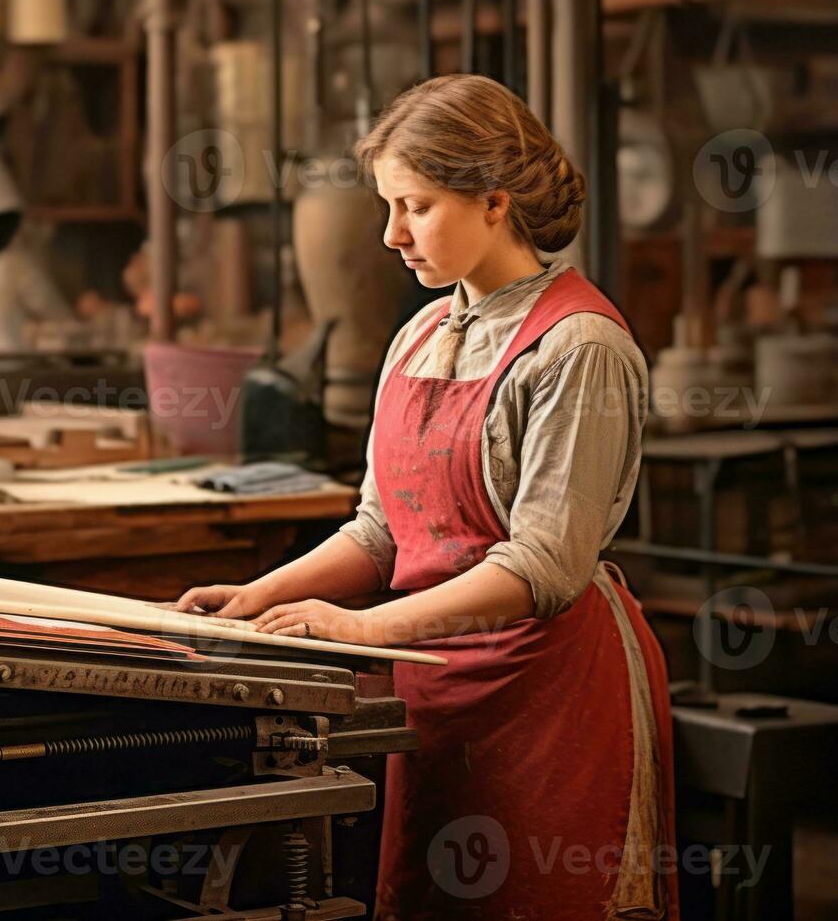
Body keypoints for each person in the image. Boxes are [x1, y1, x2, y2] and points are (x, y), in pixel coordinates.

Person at [173, 74, 678, 920]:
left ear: (492, 201)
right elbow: (380, 530)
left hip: (548, 695)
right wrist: (256, 598)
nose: (390, 235)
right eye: (386, 206)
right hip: (436, 691)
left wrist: (366, 630)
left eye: (415, 206)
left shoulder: (579, 348)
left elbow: (543, 565)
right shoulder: (417, 333)